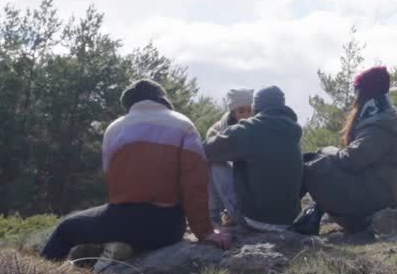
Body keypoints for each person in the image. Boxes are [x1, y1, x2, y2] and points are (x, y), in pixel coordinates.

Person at [40, 79, 232, 261]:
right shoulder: (184, 125)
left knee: (66, 228)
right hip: (166, 229)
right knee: (147, 228)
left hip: (120, 221)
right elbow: (194, 183)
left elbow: (110, 178)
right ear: (163, 99)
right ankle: (126, 247)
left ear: (130, 104)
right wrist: (205, 231)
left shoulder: (114, 128)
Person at [290, 66, 397, 235]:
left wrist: (327, 151)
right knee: (314, 160)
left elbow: (352, 160)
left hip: (373, 196)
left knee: (310, 168)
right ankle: (306, 218)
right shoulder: (384, 118)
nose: (355, 97)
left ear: (365, 93)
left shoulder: (379, 127)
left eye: (357, 92)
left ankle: (279, 218)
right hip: (378, 189)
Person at [204, 86, 304, 232]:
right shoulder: (292, 130)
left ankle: (212, 219)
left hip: (255, 220)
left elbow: (206, 150)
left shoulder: (250, 129)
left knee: (215, 163)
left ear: (256, 108)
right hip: (289, 221)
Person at [205, 88, 255, 227]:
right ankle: (213, 215)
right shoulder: (216, 131)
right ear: (233, 112)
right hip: (232, 180)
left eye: (249, 110)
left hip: (251, 185)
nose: (246, 115)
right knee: (214, 165)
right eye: (241, 111)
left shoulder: (258, 127)